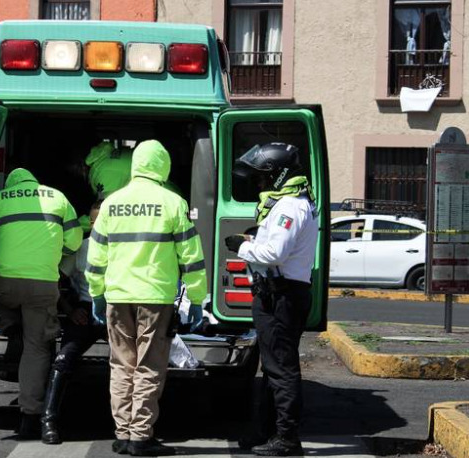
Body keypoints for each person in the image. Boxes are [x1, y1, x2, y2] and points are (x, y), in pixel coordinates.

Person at [85, 140, 207, 456]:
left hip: (117, 296)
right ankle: (140, 436)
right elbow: (191, 257)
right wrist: (196, 298)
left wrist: (97, 293)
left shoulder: (111, 203)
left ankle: (123, 434)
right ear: (163, 165)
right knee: (149, 366)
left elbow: (96, 256)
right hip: (155, 297)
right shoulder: (173, 203)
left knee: (121, 365)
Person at [224, 143, 318, 457]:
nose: (259, 183)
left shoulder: (290, 206)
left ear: (278, 175)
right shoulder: (290, 203)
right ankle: (265, 430)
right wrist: (253, 240)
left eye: (263, 177)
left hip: (282, 295)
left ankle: (287, 438)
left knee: (282, 369)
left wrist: (241, 246)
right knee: (273, 367)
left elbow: (274, 253)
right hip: (277, 293)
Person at [0, 167, 82, 439]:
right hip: (42, 286)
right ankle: (29, 417)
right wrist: (54, 250)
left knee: (6, 298)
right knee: (36, 347)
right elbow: (74, 243)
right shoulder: (58, 198)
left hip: (6, 285)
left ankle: (11, 327)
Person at [41, 200, 107, 445]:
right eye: (97, 220)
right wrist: (69, 310)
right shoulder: (82, 248)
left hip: (117, 311)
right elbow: (54, 280)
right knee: (62, 360)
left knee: (129, 364)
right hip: (86, 311)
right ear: (90, 222)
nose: (102, 225)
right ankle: (48, 422)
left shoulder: (126, 248)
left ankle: (130, 425)